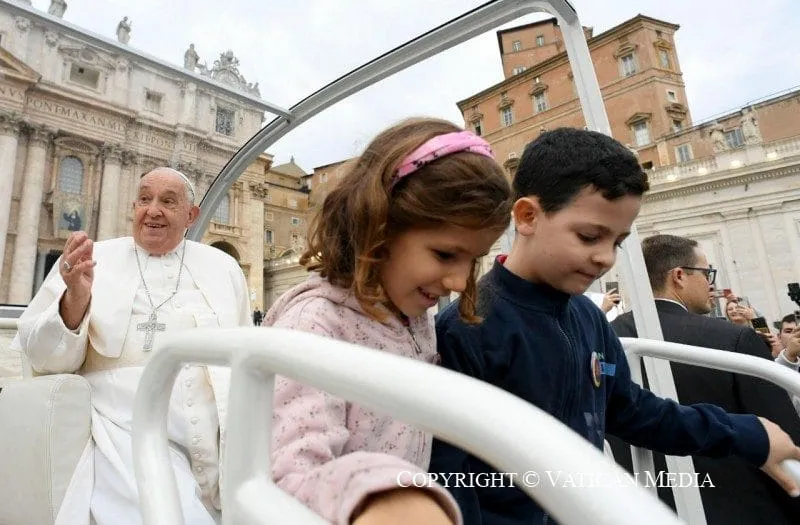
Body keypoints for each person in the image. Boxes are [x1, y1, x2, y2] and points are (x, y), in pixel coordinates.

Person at [429, 128, 800, 525]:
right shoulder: (466, 328)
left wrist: (746, 434)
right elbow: (450, 480)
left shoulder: (587, 317)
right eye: (589, 236)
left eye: (618, 241)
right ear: (527, 217)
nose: (605, 258)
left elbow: (631, 410)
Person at [264, 117, 512, 525]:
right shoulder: (313, 328)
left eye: (474, 259)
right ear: (377, 225)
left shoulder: (412, 316)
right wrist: (381, 498)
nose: (459, 281)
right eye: (446, 255)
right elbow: (286, 475)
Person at [12, 167, 251, 525]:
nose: (152, 210)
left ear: (191, 215)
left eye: (168, 202)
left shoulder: (224, 267)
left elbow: (244, 351)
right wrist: (74, 299)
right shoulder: (95, 259)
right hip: (124, 432)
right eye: (144, 199)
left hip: (217, 441)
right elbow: (44, 358)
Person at [609, 234, 800, 524]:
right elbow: (785, 438)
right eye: (706, 272)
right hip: (742, 511)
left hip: (635, 510)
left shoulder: (605, 337)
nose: (710, 284)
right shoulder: (734, 338)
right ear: (679, 276)